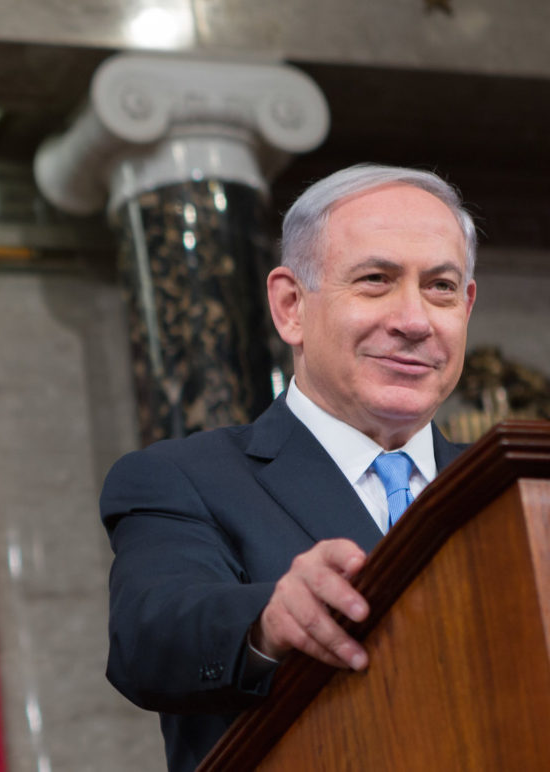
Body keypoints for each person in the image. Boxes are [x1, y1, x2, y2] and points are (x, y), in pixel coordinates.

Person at [99, 163, 478, 772]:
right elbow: (149, 638)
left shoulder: (521, 494)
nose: (414, 320)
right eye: (376, 280)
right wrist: (268, 622)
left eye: (439, 287)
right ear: (290, 306)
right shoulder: (181, 478)